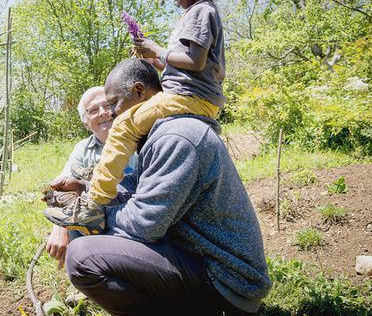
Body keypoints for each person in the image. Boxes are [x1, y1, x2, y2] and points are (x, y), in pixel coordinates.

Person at [45, 0, 232, 233]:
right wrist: (157, 61)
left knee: (123, 128)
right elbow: (190, 65)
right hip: (190, 96)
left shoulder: (200, 12)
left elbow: (195, 62)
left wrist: (157, 50)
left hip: (188, 98)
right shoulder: (200, 12)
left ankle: (94, 205)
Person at [64, 59, 272, 315]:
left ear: (139, 92)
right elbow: (137, 186)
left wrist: (93, 217)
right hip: (203, 260)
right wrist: (85, 188)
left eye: (114, 104)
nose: (113, 114)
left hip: (227, 283)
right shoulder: (163, 130)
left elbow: (142, 226)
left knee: (82, 257)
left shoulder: (176, 137)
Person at [45, 86, 138, 267]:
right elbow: (55, 190)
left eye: (107, 105)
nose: (103, 113)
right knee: (75, 216)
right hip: (98, 219)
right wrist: (59, 227)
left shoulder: (138, 139)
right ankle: (85, 273)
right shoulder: (82, 149)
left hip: (133, 218)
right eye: (94, 110)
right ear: (86, 122)